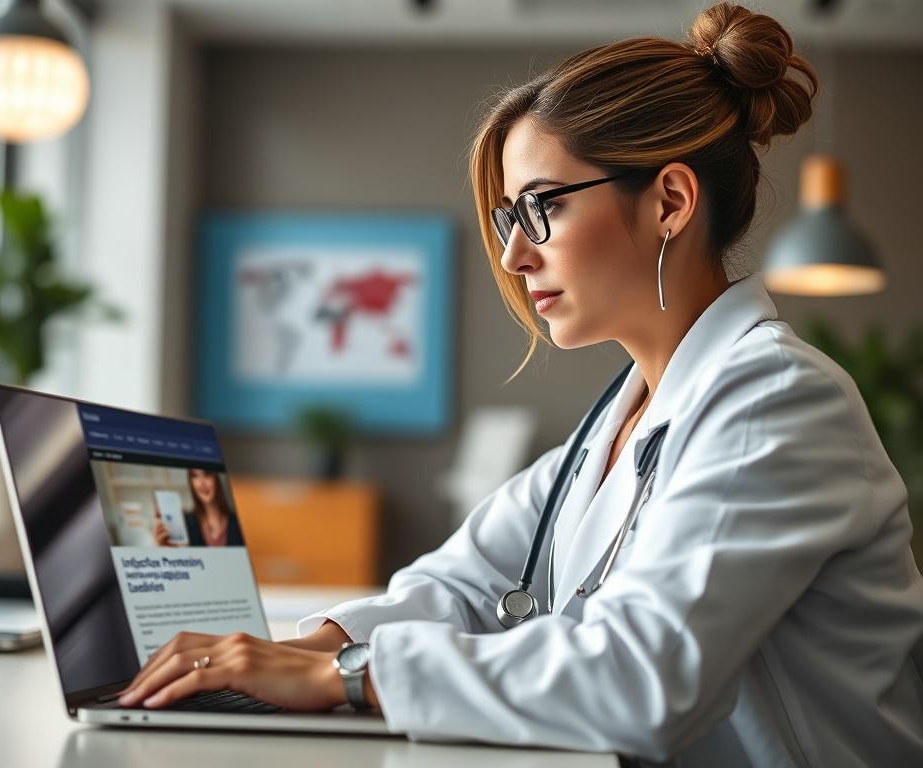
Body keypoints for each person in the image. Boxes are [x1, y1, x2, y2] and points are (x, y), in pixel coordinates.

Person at [118, 3, 923, 763]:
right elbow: (465, 581)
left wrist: (349, 677)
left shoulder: (777, 402)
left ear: (671, 202)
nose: (513, 256)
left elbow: (640, 679)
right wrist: (298, 653)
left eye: (541, 209)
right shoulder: (621, 417)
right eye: (510, 218)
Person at [153, 468, 244, 547]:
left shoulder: (238, 521)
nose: (201, 483)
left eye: (207, 474)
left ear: (217, 478)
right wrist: (164, 548)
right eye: (195, 476)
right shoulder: (186, 523)